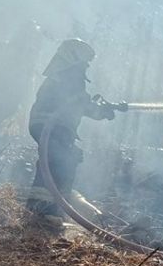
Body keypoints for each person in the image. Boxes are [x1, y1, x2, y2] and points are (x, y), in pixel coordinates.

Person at [25, 39, 124, 222]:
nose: (87, 65)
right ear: (75, 56)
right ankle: (44, 211)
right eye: (85, 60)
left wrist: (103, 109)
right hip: (52, 126)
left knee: (62, 160)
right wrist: (102, 111)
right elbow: (80, 103)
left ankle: (48, 209)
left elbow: (78, 104)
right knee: (59, 161)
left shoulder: (62, 74)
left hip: (51, 126)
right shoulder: (70, 74)